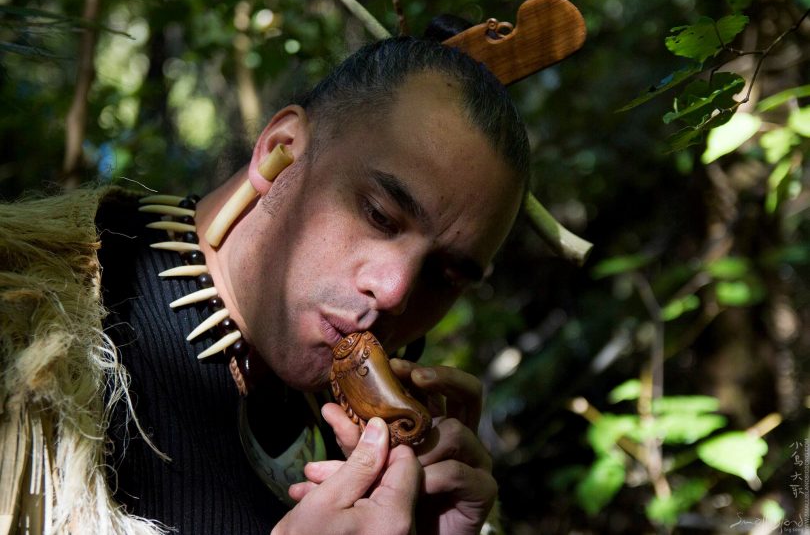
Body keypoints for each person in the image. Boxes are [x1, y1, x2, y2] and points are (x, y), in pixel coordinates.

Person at [1, 35, 529, 535]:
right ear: (281, 149)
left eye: (445, 276)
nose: (395, 292)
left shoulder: (379, 461)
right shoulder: (29, 322)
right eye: (379, 215)